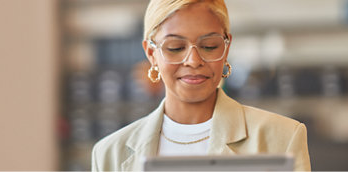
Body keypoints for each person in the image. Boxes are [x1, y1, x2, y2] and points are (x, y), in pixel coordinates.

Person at [91, 0, 311, 171]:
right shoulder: (109, 154)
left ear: (226, 48)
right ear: (151, 54)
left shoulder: (283, 137)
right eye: (175, 47)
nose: (194, 60)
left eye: (209, 45)